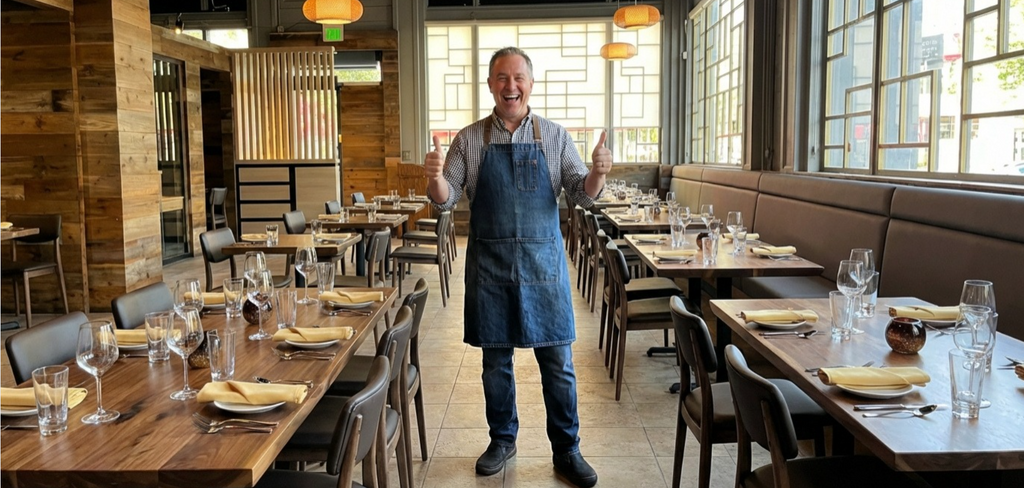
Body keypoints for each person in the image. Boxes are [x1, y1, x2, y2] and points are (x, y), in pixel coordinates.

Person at [424, 46, 612, 488]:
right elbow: (447, 199)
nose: (511, 86)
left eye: (518, 77)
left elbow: (582, 194)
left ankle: (567, 449)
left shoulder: (555, 136)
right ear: (490, 85)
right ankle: (501, 440)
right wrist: (434, 179)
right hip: (490, 269)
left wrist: (599, 174)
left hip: (544, 267)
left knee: (559, 365)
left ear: (530, 82)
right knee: (496, 365)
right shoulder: (469, 140)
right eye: (501, 78)